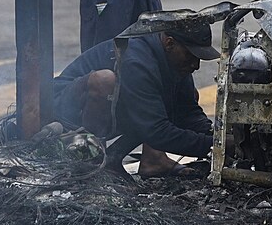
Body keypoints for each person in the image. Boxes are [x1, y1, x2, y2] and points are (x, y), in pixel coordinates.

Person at [51, 20, 216, 177]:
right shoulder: (138, 61)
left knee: (181, 96)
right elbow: (156, 132)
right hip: (65, 112)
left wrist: (217, 138)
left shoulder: (174, 60)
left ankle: (143, 161)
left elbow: (187, 112)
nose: (196, 64)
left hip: (117, 107)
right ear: (170, 43)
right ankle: (92, 164)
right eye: (191, 55)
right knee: (105, 81)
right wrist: (210, 147)